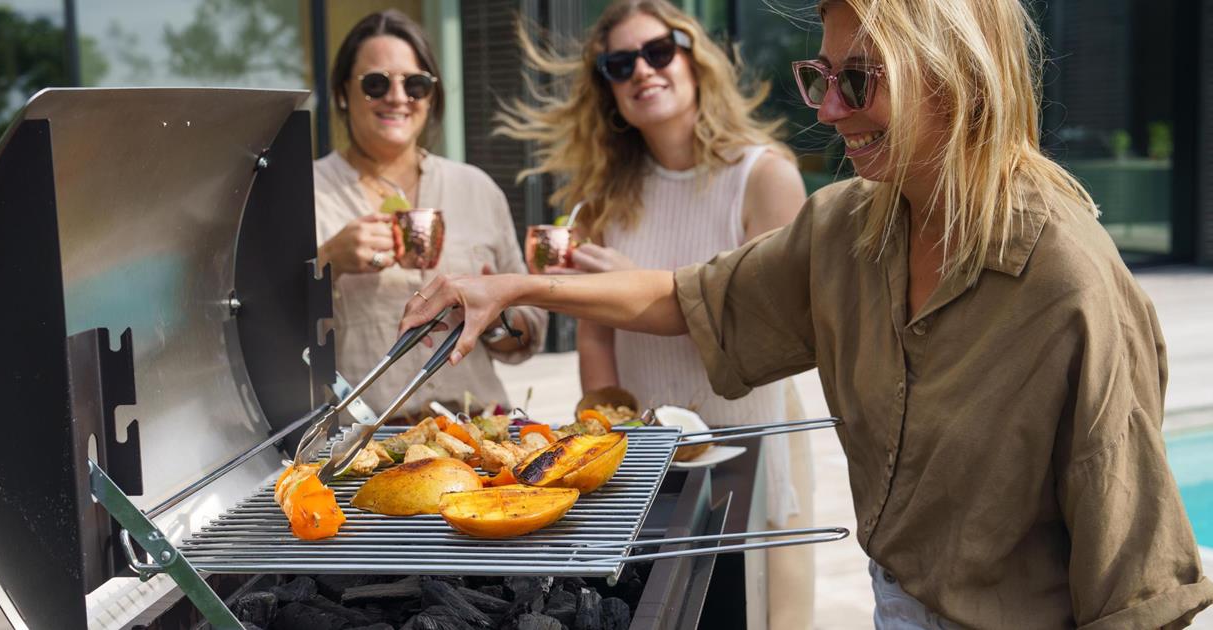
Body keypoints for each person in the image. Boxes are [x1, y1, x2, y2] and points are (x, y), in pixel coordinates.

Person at [401, 0, 1213, 626]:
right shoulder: (849, 224)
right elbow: (690, 297)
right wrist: (513, 287)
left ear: (953, 70)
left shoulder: (1067, 279)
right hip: (891, 598)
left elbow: (1134, 584)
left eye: (857, 80)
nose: (827, 110)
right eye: (819, 77)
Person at [496, 1, 816, 626]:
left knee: (746, 610)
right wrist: (602, 436)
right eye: (620, 63)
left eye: (659, 51)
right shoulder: (602, 200)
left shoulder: (765, 177)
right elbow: (596, 342)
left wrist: (628, 279)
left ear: (694, 59)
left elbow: (776, 331)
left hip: (742, 443)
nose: (642, 70)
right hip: (646, 460)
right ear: (608, 90)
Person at [314, 10, 546, 418]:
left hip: (480, 435)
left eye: (416, 84)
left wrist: (493, 320)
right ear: (341, 94)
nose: (398, 97)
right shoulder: (306, 194)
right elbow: (263, 334)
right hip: (369, 446)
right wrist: (326, 262)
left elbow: (528, 328)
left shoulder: (476, 188)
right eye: (376, 83)